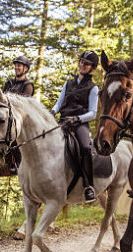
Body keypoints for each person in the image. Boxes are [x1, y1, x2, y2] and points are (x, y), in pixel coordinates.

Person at [50, 51, 99, 203]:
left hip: (79, 124)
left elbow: (93, 113)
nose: (82, 65)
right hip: (63, 121)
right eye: (81, 62)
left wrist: (77, 118)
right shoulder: (69, 83)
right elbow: (59, 102)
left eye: (86, 64)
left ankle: (88, 186)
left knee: (85, 148)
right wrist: (52, 111)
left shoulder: (93, 88)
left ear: (93, 68)